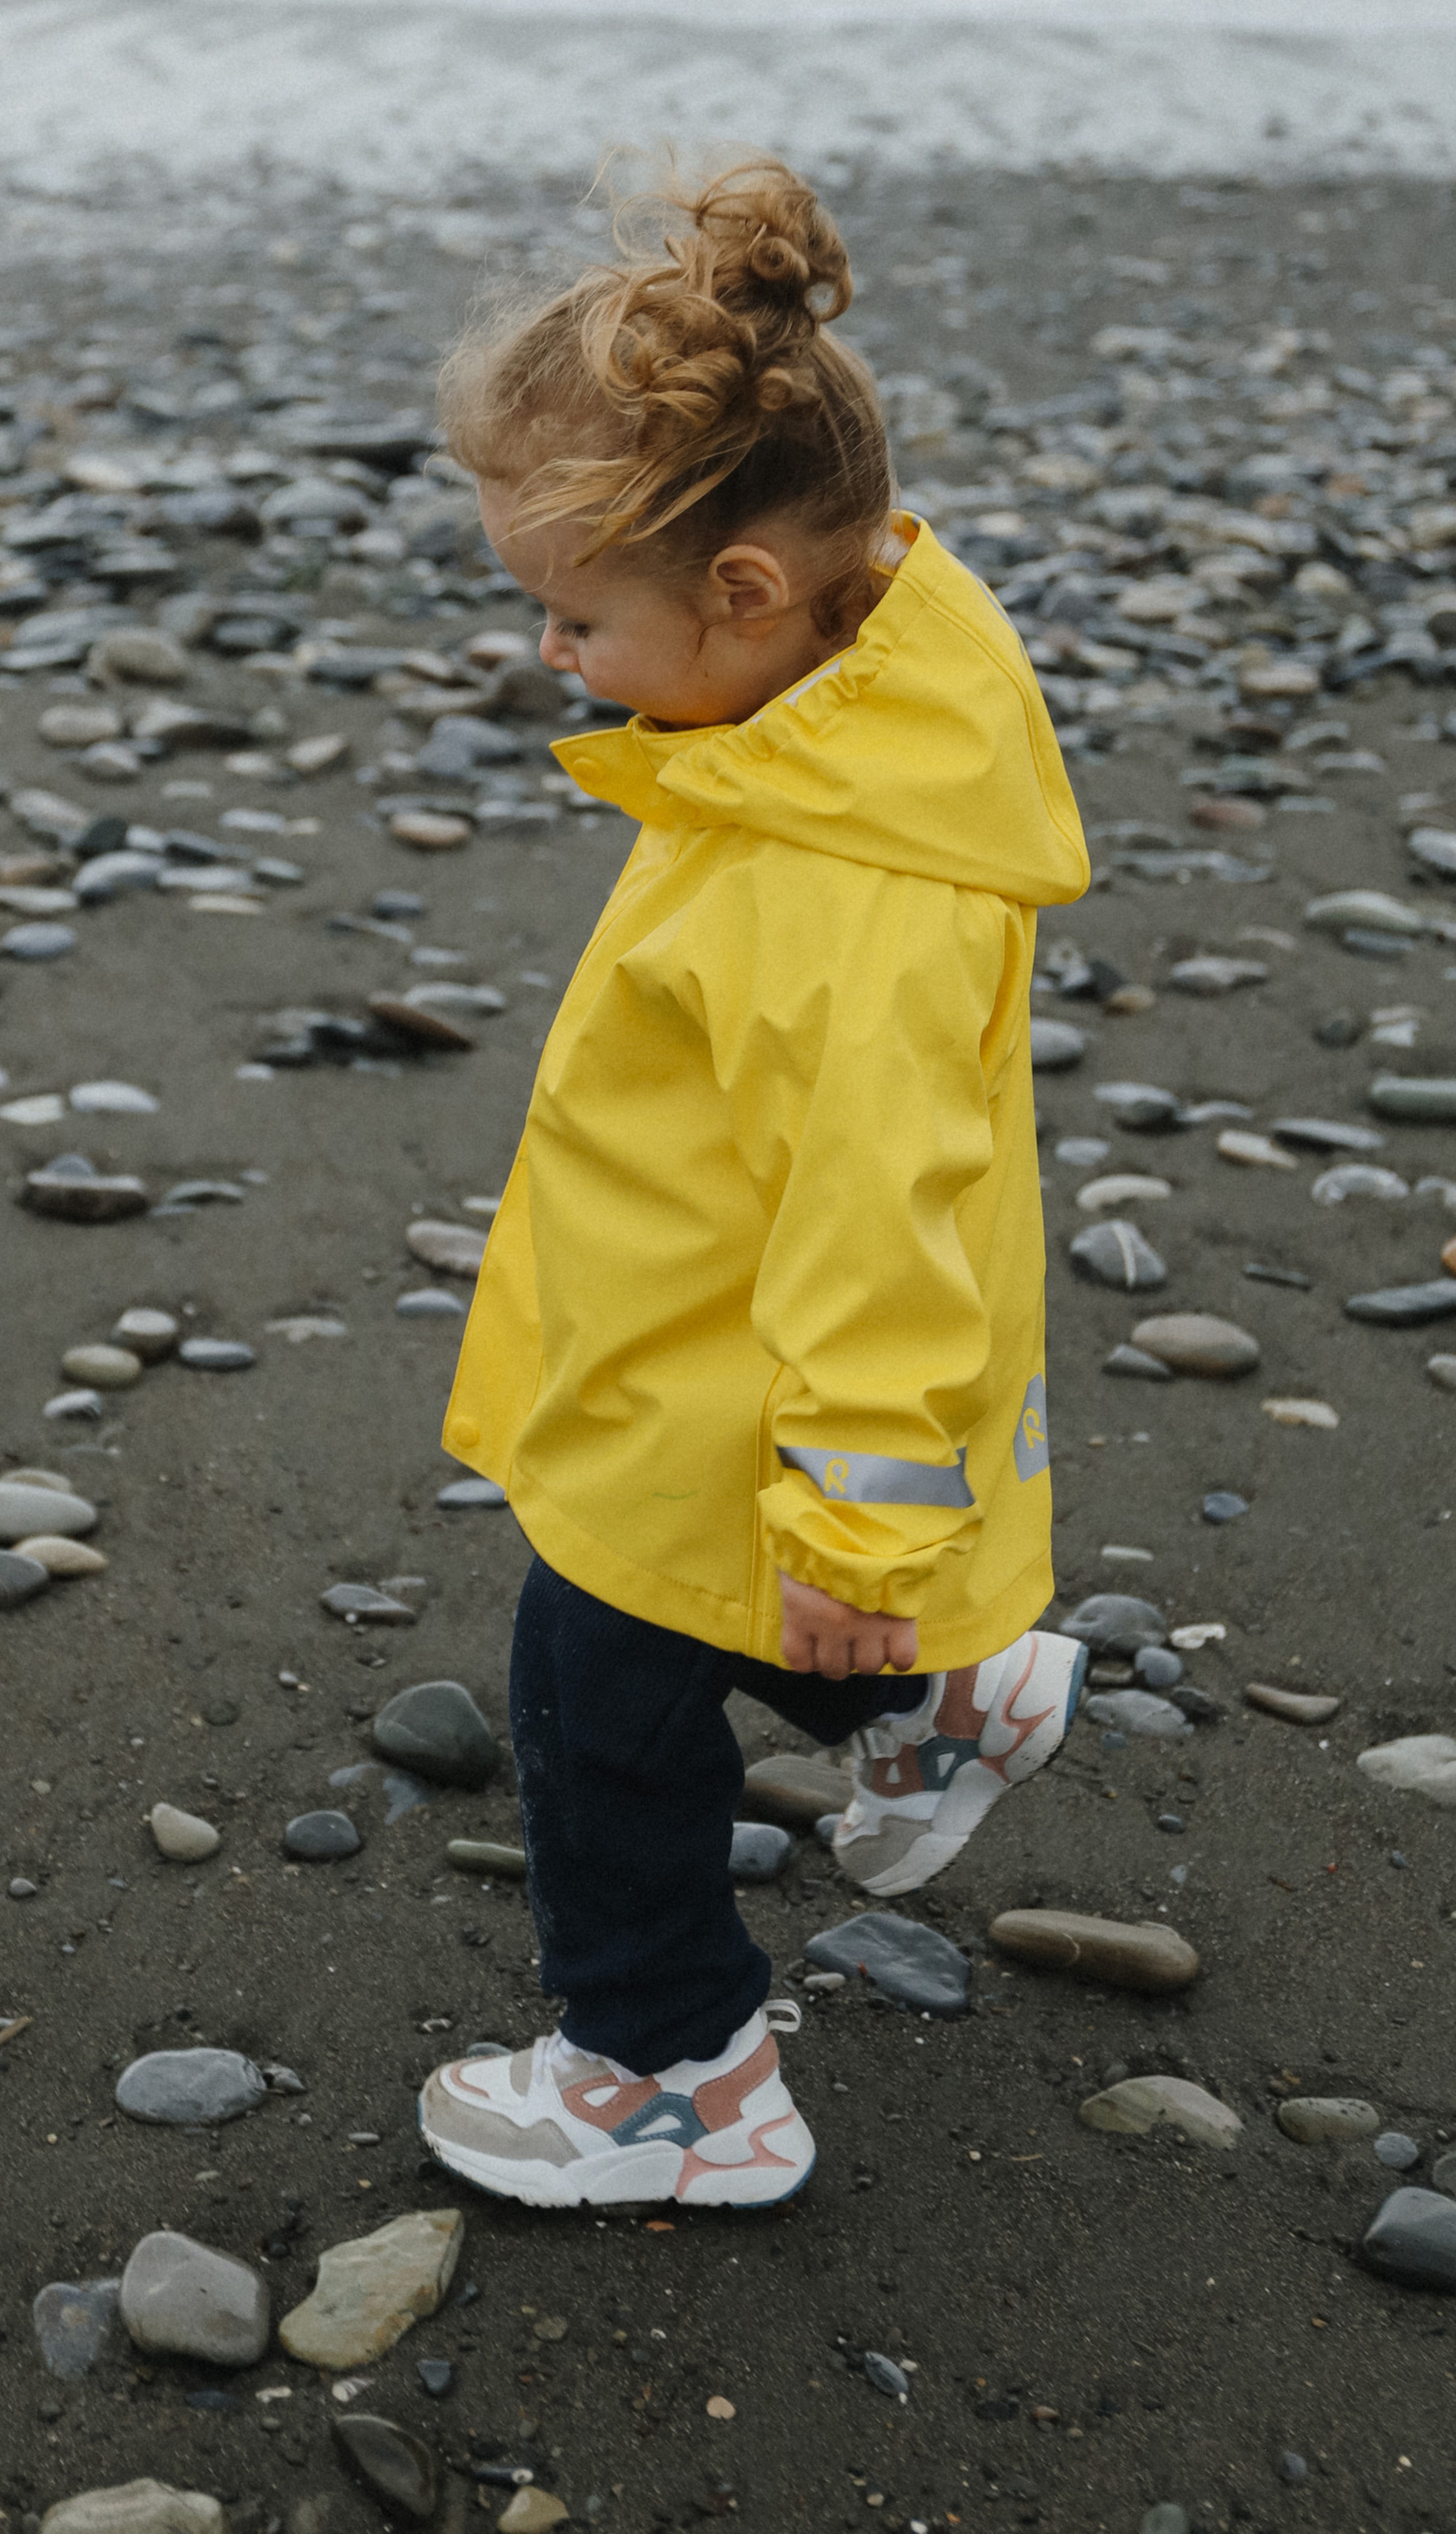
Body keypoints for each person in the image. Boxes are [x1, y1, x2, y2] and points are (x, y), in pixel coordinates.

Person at [414, 155, 1092, 2213]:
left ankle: (669, 2079)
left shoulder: (839, 883)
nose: (547, 653)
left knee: (593, 1694)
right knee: (676, 1627)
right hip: (688, 1339)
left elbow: (878, 1229)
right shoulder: (823, 726)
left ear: (739, 591)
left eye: (575, 616)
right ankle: (940, 1693)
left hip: (737, 1391)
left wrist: (862, 1522)